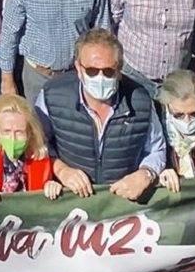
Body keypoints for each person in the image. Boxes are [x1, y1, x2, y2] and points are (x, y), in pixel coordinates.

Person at [38, 30, 164, 201]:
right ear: (78, 68)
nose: (100, 77)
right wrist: (60, 170)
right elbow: (36, 146)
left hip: (123, 205)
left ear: (119, 70)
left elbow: (156, 149)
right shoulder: (52, 95)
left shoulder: (140, 100)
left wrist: (146, 173)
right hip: (71, 204)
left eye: (108, 71)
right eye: (91, 71)